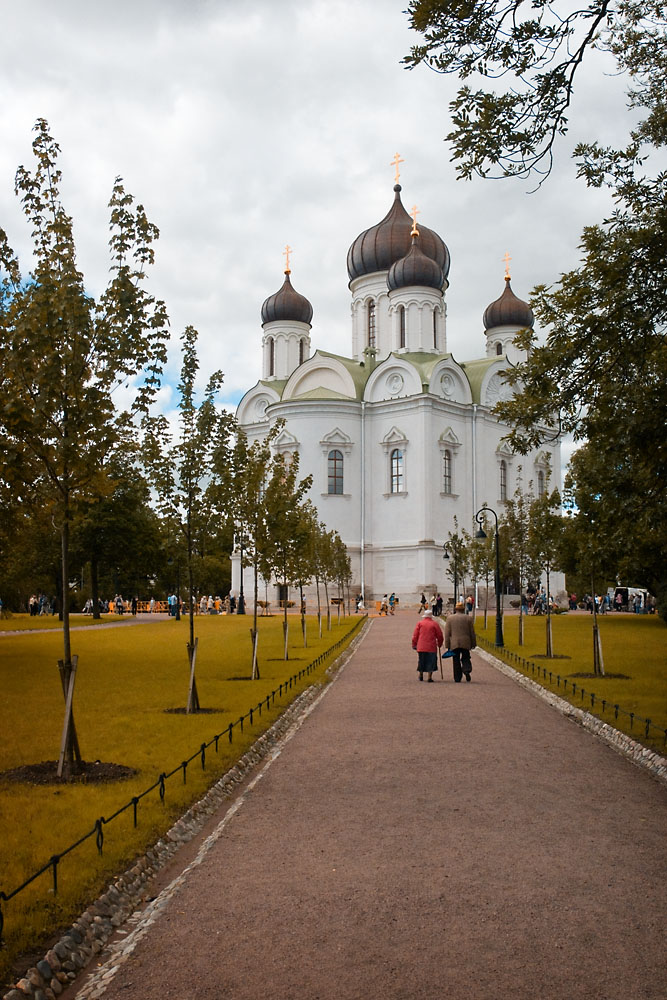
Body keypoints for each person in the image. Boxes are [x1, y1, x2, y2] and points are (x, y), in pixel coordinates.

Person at [444, 601, 477, 682]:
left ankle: (457, 677)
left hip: (454, 642)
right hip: (466, 642)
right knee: (466, 657)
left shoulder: (450, 618)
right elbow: (472, 632)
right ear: (463, 609)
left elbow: (447, 633)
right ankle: (466, 669)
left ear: (455, 609)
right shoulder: (468, 618)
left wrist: (447, 644)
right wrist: (473, 643)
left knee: (456, 660)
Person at [412, 608, 444, 682]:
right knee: (431, 661)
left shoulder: (420, 623)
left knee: (421, 660)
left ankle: (421, 674)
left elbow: (415, 635)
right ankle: (429, 677)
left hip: (421, 645)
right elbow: (440, 635)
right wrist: (440, 643)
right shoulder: (434, 624)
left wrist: (414, 644)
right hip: (431, 646)